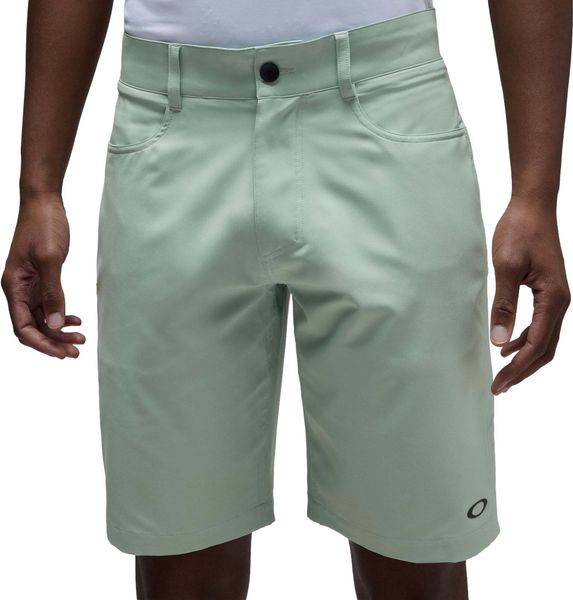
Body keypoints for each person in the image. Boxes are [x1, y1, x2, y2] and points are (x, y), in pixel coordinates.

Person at [2, 0, 570, 598]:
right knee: (179, 551)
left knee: (418, 546)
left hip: (387, 108)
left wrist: (536, 194)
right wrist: (38, 187)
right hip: (171, 125)